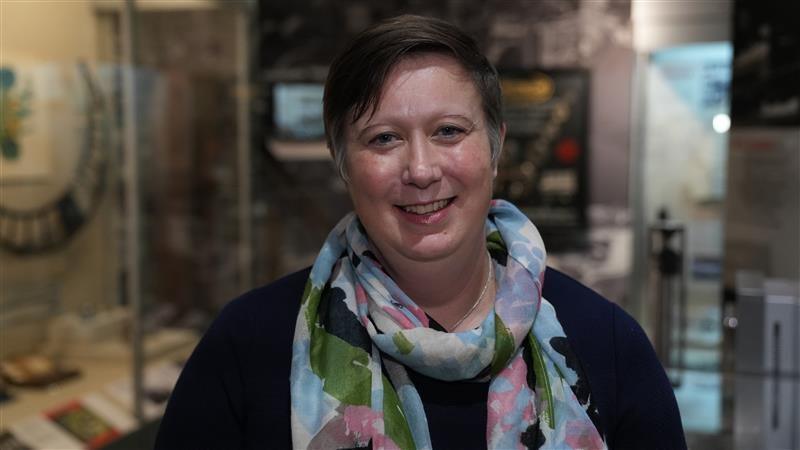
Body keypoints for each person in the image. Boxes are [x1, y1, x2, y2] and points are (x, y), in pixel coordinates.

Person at [155, 15, 686, 450]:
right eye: (383, 138)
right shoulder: (250, 344)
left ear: (496, 146)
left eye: (448, 131)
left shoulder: (605, 343)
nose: (422, 169)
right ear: (343, 164)